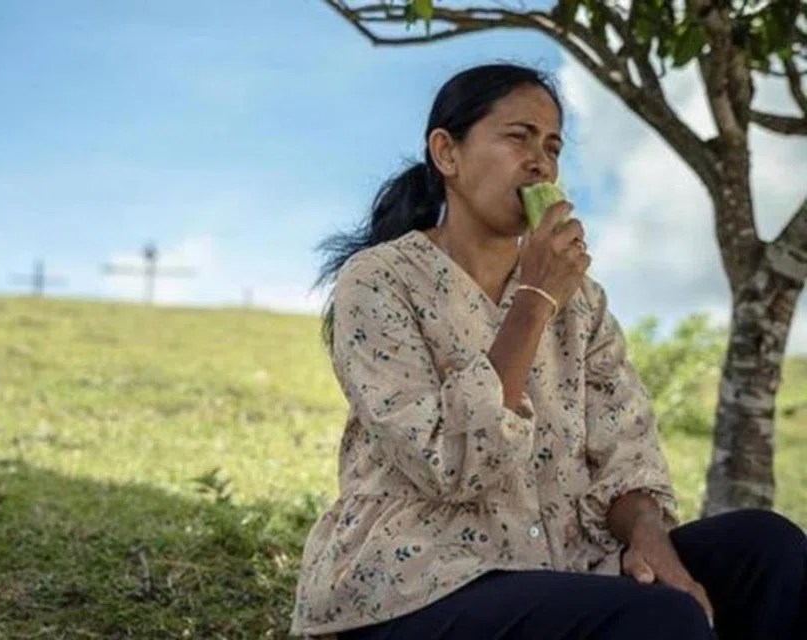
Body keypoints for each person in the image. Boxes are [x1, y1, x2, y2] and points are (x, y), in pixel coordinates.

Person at [289, 63, 806, 640]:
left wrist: (649, 537)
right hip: (421, 583)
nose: (540, 161)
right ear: (447, 153)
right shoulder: (379, 281)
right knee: (660, 619)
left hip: (568, 561)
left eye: (553, 145)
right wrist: (533, 301)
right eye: (518, 136)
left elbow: (624, 448)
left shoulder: (581, 299)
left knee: (769, 547)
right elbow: (448, 463)